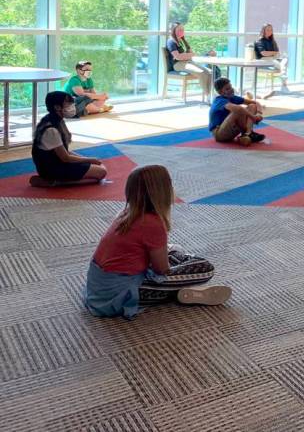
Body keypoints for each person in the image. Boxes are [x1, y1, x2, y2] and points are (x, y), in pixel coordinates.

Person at [84, 165, 231, 319]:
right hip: (119, 294)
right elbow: (161, 269)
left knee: (175, 250)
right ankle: (176, 293)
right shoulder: (152, 223)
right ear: (162, 192)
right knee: (205, 268)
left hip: (99, 287)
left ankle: (178, 290)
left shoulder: (126, 212)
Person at [29, 91, 108, 187]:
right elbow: (65, 158)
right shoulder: (51, 130)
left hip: (56, 163)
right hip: (52, 168)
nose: (72, 106)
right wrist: (89, 160)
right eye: (68, 104)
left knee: (99, 167)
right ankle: (54, 182)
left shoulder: (55, 120)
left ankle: (56, 180)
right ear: (57, 107)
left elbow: (65, 152)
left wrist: (87, 160)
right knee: (101, 172)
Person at [209, 77, 266, 146]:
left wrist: (259, 114)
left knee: (252, 106)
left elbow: (255, 103)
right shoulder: (219, 100)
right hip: (219, 133)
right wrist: (253, 117)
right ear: (220, 92)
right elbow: (238, 109)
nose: (231, 90)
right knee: (237, 110)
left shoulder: (232, 97)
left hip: (230, 129)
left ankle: (247, 134)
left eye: (231, 87)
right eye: (227, 89)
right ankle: (247, 134)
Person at [166, 22, 216, 99]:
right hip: (178, 64)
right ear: (173, 31)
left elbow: (192, 53)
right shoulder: (171, 42)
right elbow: (178, 57)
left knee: (209, 72)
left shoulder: (183, 41)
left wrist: (186, 55)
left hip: (188, 62)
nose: (182, 31)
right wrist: (188, 55)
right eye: (179, 29)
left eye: (182, 29)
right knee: (202, 73)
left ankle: (211, 94)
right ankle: (208, 95)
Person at [254, 23, 290, 89]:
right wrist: (274, 53)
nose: (270, 31)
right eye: (267, 30)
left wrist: (273, 53)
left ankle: (283, 81)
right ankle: (284, 84)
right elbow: (263, 53)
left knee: (285, 59)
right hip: (263, 60)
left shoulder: (272, 41)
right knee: (282, 65)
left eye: (271, 30)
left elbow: (277, 53)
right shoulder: (259, 41)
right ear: (263, 31)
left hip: (273, 59)